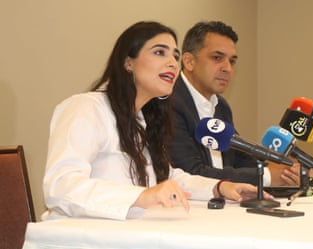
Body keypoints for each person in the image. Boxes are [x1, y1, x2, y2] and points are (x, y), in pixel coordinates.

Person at [42, 21, 270, 221]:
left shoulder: (146, 120)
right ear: (128, 62)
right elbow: (60, 186)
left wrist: (219, 187)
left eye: (175, 56)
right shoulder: (85, 108)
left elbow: (169, 178)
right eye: (160, 52)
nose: (172, 63)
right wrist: (141, 196)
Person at [167, 21, 301, 186]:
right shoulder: (169, 102)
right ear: (189, 62)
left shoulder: (220, 105)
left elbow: (240, 158)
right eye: (217, 58)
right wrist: (266, 176)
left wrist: (285, 171)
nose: (228, 68)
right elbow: (191, 173)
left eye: (232, 61)